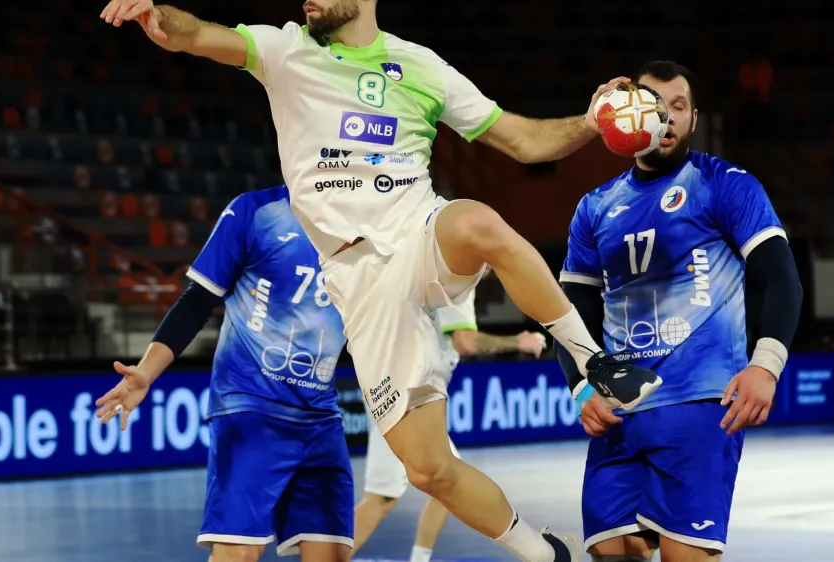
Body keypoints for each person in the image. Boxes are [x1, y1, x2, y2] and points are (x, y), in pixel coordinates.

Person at [97, 2, 663, 560]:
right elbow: (196, 33)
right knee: (428, 469)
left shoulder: (422, 66)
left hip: (418, 231)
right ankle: (543, 554)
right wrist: (160, 17)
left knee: (477, 223)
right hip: (358, 280)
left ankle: (594, 360)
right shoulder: (284, 50)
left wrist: (588, 124)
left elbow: (525, 143)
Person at [553, 61, 803, 562]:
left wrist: (766, 365)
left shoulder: (724, 184)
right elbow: (571, 309)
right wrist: (581, 385)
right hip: (622, 411)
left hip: (701, 404)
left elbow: (782, 279)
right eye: (653, 104)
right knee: (611, 550)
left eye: (678, 106)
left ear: (693, 119)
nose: (665, 116)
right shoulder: (595, 207)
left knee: (683, 555)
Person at [94, 186, 354, 562]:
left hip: (320, 416)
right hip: (252, 406)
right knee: (238, 553)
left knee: (332, 554)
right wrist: (146, 372)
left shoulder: (369, 222)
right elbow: (198, 300)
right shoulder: (256, 211)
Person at [353, 282, 548, 562]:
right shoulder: (456, 283)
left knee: (448, 482)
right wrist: (520, 342)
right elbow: (466, 342)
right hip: (404, 393)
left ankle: (420, 559)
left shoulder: (429, 272)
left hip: (398, 383)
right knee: (381, 498)